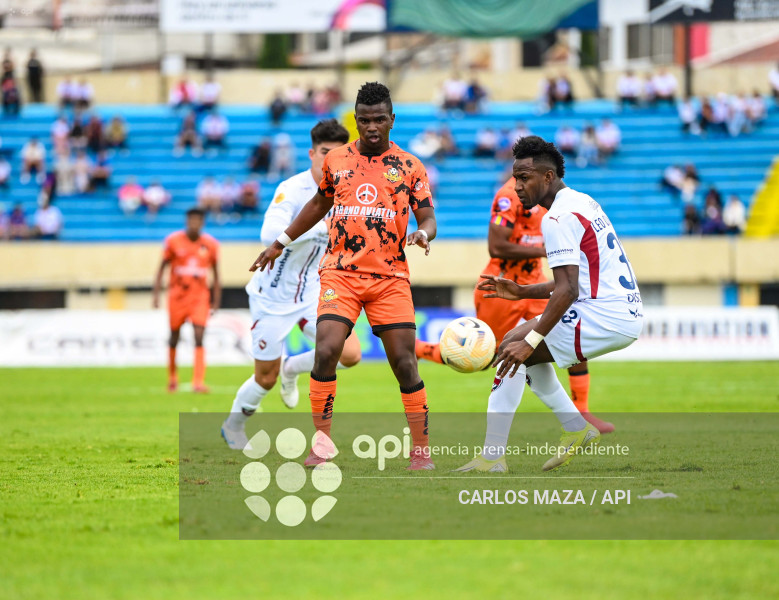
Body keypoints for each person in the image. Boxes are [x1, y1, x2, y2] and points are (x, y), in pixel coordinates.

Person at [250, 82, 436, 470]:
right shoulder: (337, 160)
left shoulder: (411, 167)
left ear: (391, 120)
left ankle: (420, 449)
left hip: (389, 278)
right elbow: (318, 203)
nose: (371, 127)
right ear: (356, 120)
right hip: (340, 274)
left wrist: (423, 234)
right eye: (364, 120)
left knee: (403, 362)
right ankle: (321, 445)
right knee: (327, 351)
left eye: (379, 120)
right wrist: (280, 242)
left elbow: (428, 217)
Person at [454, 136, 643, 473]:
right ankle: (574, 428)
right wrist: (522, 292)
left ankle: (492, 458)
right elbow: (573, 281)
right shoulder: (582, 201)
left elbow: (567, 291)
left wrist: (530, 341)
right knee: (521, 348)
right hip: (616, 308)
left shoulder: (555, 219)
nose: (517, 187)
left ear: (547, 177)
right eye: (515, 178)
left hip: (604, 313)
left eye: (524, 178)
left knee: (513, 347)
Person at [416, 173, 612, 433]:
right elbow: (497, 247)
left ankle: (583, 413)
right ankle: (419, 349)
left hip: (535, 282)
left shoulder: (546, 198)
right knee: (491, 356)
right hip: (502, 284)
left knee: (569, 333)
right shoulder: (509, 196)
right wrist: (547, 251)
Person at [221, 119, 363, 450]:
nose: (331, 160)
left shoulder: (348, 190)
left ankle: (292, 368)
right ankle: (233, 425)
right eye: (325, 153)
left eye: (339, 154)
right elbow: (268, 235)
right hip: (273, 297)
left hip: (314, 290)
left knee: (351, 354)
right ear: (312, 153)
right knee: (264, 379)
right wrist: (317, 229)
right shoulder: (292, 189)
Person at [152, 208, 220, 393]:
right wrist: (156, 294)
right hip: (177, 296)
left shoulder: (210, 244)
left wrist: (216, 301)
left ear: (202, 222)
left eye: (198, 220)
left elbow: (216, 274)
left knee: (199, 335)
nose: (194, 223)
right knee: (174, 336)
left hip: (199, 297)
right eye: (191, 219)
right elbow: (161, 268)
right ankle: (173, 378)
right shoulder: (173, 241)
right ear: (187, 221)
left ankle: (198, 381)